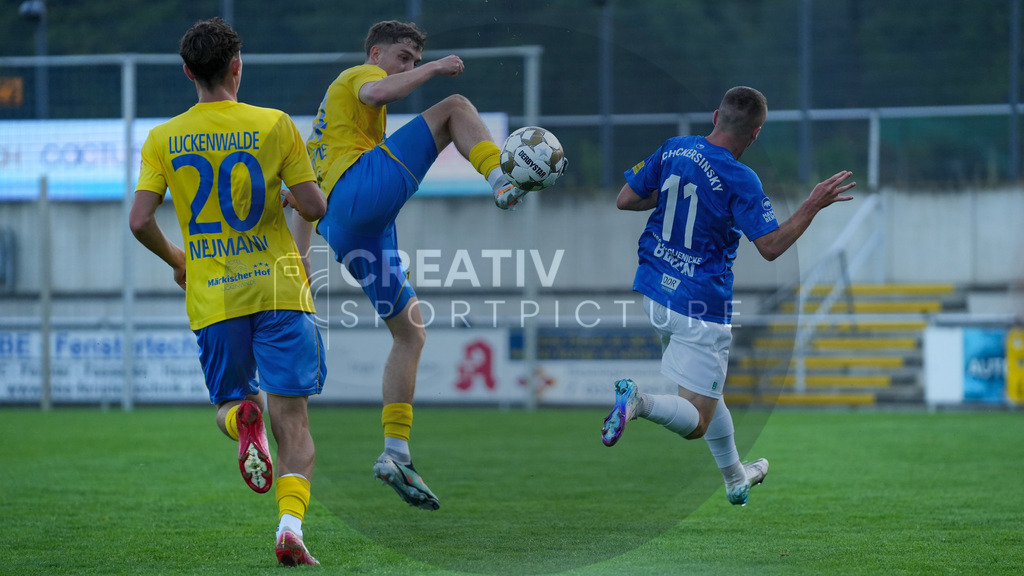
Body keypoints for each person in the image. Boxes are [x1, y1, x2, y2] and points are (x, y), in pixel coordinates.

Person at [298, 20, 527, 511]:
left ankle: (395, 453)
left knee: (410, 331)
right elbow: (379, 91)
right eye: (404, 57)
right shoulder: (354, 77)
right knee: (455, 108)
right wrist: (437, 71)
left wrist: (300, 275)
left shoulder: (329, 128)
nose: (411, 67)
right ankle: (501, 178)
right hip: (358, 191)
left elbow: (295, 200)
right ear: (375, 52)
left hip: (348, 227)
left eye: (417, 61)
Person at [128, 17, 327, 566]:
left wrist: (179, 260)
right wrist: (288, 194)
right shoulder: (275, 125)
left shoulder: (163, 138)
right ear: (237, 66)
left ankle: (242, 421)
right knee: (295, 420)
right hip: (280, 290)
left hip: (215, 296)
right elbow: (314, 207)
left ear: (188, 72)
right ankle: (290, 527)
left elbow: (140, 219)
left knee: (232, 402)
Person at [601, 86, 855, 505]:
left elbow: (626, 199)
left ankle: (736, 478)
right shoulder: (742, 178)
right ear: (755, 134)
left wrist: (670, 193)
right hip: (700, 304)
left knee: (708, 392)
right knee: (697, 419)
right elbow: (771, 247)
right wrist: (812, 204)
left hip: (654, 291)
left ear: (716, 116)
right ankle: (638, 402)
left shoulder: (675, 148)